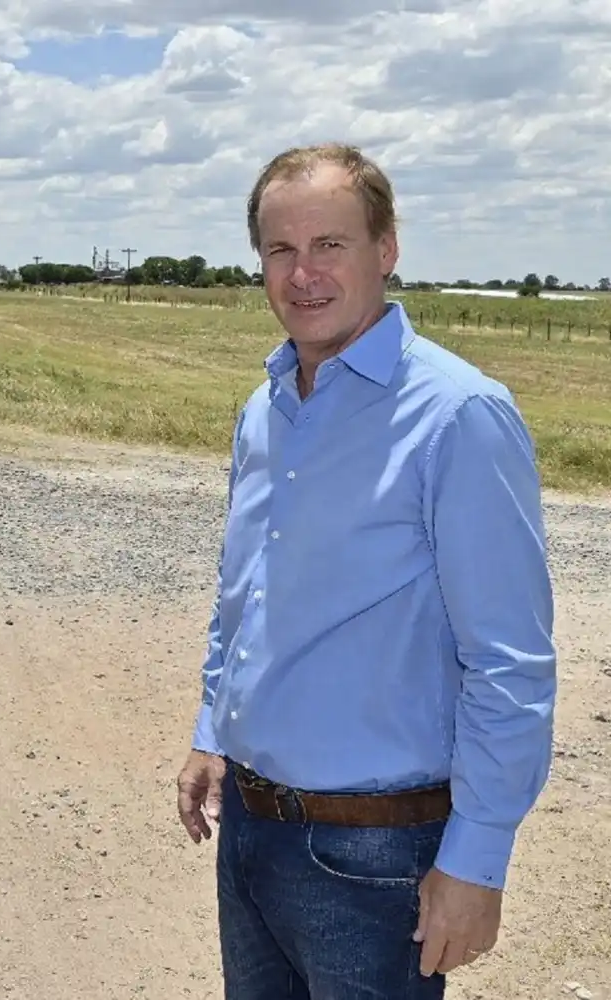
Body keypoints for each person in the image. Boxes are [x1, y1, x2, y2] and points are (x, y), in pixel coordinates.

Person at [174, 142, 557, 999]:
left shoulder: (459, 417)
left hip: (375, 858)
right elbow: (247, 597)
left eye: (330, 245)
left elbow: (510, 663)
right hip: (252, 832)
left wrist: (478, 859)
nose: (303, 273)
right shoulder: (265, 407)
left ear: (386, 250)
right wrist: (213, 728)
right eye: (280, 250)